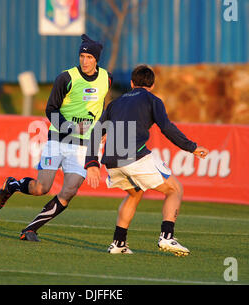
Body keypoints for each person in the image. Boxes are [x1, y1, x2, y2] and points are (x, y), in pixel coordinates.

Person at [0, 34, 112, 241]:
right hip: (59, 140)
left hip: (83, 145)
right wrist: (69, 127)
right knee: (42, 188)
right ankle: (12, 185)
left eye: (89, 58)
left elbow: (102, 104)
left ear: (96, 60)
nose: (84, 61)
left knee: (69, 191)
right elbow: (50, 109)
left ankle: (30, 229)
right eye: (82, 56)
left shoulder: (106, 78)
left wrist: (102, 130)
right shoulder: (66, 78)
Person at [84, 64, 209, 256]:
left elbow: (95, 134)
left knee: (135, 194)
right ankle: (167, 237)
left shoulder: (115, 103)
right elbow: (166, 127)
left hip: (111, 162)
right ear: (151, 85)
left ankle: (118, 243)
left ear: (132, 83)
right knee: (175, 189)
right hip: (134, 157)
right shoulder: (153, 100)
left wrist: (92, 163)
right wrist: (191, 147)